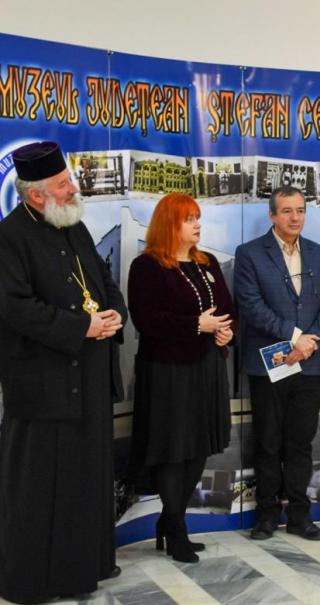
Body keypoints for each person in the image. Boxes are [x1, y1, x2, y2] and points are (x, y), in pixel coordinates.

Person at [0, 141, 126, 604]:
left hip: (88, 380)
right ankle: (32, 580)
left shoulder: (74, 226)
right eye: (62, 183)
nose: (73, 188)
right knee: (37, 485)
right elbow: (16, 308)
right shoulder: (9, 237)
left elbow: (104, 281)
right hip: (42, 383)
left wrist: (114, 315)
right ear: (36, 195)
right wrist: (82, 327)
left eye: (69, 180)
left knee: (83, 480)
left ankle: (83, 569)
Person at [127, 193, 235, 563]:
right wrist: (195, 324)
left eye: (197, 218)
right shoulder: (147, 266)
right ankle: (175, 528)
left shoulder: (208, 263)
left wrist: (226, 331)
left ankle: (170, 520)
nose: (197, 225)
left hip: (207, 366)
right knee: (173, 449)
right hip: (168, 371)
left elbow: (227, 309)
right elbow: (147, 321)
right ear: (169, 224)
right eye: (189, 219)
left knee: (199, 446)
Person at [235, 186, 320, 541]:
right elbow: (251, 306)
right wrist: (295, 337)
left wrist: (307, 344)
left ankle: (299, 516)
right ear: (272, 215)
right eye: (287, 211)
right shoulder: (250, 254)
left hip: (307, 364)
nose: (295, 217)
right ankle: (266, 515)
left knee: (300, 443)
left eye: (300, 210)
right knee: (268, 442)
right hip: (270, 363)